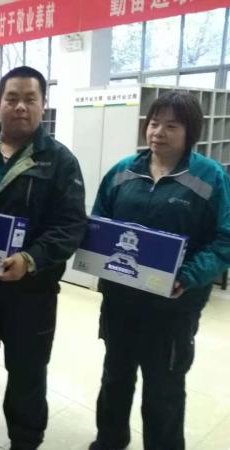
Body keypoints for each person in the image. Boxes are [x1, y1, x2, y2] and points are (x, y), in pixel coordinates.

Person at [0, 66, 87, 450]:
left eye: (29, 99)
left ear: (43, 105)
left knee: (27, 369)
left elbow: (71, 225)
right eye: (12, 98)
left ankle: (25, 438)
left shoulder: (60, 161)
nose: (20, 107)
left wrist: (30, 258)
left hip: (30, 291)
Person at [87, 90, 230, 450]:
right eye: (154, 123)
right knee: (115, 376)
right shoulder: (123, 171)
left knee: (163, 388)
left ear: (190, 131)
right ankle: (109, 440)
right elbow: (100, 222)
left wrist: (189, 275)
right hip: (120, 299)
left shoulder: (209, 177)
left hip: (173, 306)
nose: (158, 133)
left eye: (171, 126)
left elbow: (225, 238)